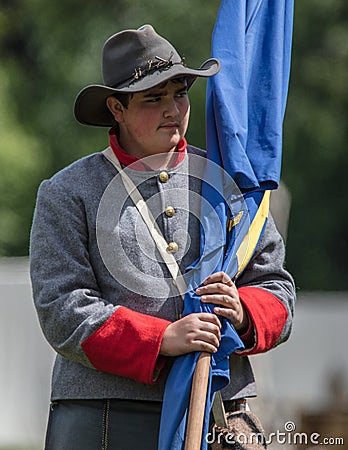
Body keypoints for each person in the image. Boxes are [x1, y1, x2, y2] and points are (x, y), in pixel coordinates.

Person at [30, 25, 295, 449]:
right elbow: (63, 309)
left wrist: (243, 311)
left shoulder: (230, 185)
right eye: (154, 98)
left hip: (219, 411)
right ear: (117, 108)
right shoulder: (67, 192)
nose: (173, 109)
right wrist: (163, 340)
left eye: (180, 94)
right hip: (109, 419)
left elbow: (277, 290)